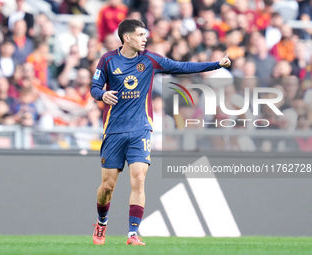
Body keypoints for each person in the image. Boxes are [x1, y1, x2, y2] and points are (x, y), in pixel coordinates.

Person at [90, 19, 231, 246]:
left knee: (138, 179)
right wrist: (101, 95)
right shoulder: (107, 60)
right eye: (140, 34)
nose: (145, 38)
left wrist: (215, 65)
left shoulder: (150, 59)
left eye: (145, 35)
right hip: (114, 130)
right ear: (127, 37)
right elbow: (94, 87)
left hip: (140, 129)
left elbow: (181, 67)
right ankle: (102, 222)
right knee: (107, 187)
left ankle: (132, 233)